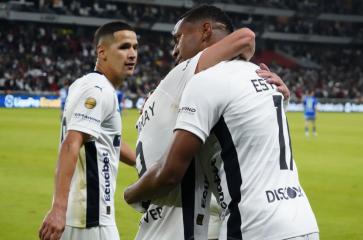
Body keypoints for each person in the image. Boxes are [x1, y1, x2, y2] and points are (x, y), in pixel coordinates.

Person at [123, 29, 319, 240]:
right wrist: (285, 99)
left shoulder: (201, 81)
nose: (174, 50)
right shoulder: (258, 75)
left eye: (178, 39)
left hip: (252, 224)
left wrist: (131, 195)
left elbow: (170, 173)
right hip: (302, 221)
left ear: (204, 32)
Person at [38, 21, 137, 240]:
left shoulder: (85, 84)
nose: (132, 54)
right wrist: (58, 209)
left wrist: (144, 163)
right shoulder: (98, 89)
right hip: (91, 217)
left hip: (84, 216)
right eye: (124, 47)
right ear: (102, 52)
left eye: (135, 47)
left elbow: (110, 140)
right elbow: (72, 143)